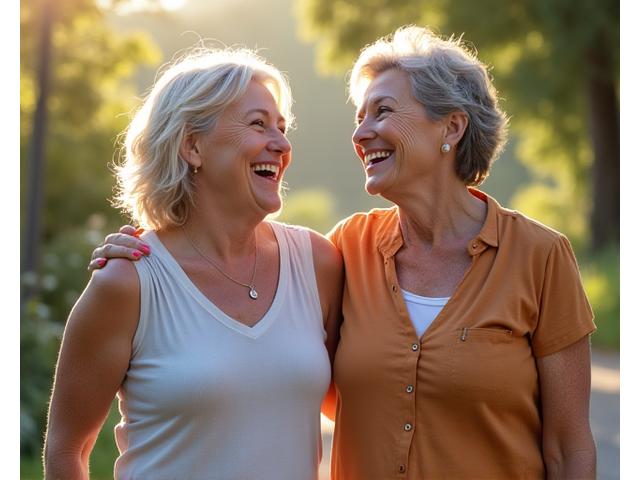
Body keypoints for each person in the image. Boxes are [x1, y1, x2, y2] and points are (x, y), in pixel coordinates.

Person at [89, 26, 597, 479]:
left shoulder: (540, 257)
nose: (360, 133)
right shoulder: (346, 251)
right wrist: (150, 246)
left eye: (383, 112)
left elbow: (568, 449)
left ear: (452, 127)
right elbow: (286, 368)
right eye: (360, 116)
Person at [44, 47, 343, 480]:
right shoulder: (127, 282)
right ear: (192, 146)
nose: (281, 144)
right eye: (259, 125)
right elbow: (66, 450)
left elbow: (356, 398)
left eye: (282, 127)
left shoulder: (317, 262)